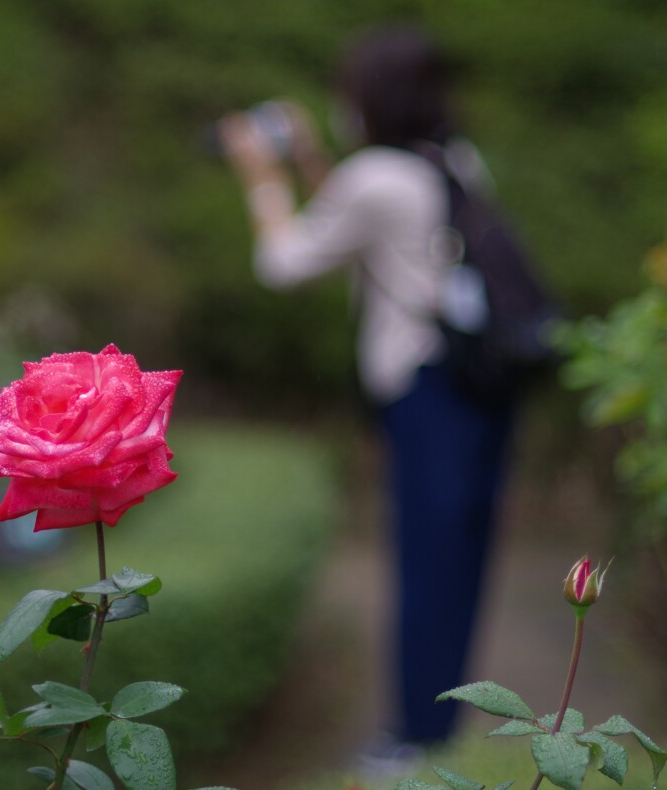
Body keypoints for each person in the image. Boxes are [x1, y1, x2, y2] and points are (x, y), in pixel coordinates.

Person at [220, 25, 517, 773]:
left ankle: (414, 739)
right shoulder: (452, 160)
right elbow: (357, 218)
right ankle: (443, 721)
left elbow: (283, 260)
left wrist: (260, 171)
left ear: (369, 98)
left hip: (425, 393)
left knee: (423, 563)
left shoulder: (377, 179)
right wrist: (317, 159)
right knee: (463, 560)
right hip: (484, 385)